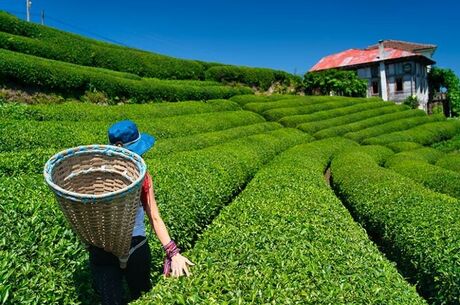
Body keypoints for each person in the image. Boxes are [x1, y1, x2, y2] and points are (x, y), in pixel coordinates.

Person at [88, 120, 194, 305]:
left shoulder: (96, 176)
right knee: (143, 297)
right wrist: (173, 252)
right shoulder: (142, 177)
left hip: (102, 248)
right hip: (135, 246)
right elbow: (154, 216)